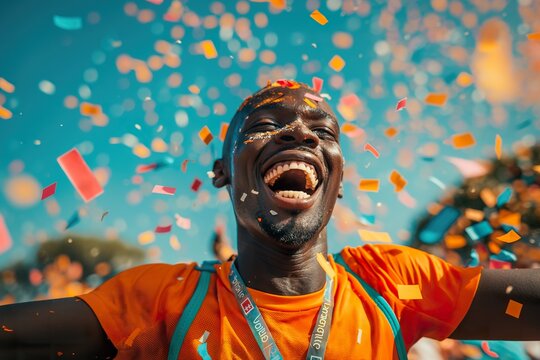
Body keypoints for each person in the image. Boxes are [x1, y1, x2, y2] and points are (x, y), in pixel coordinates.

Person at [0, 80, 539, 359]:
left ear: (340, 177)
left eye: (323, 132)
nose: (300, 134)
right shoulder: (163, 300)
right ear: (223, 172)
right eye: (264, 125)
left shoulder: (391, 284)